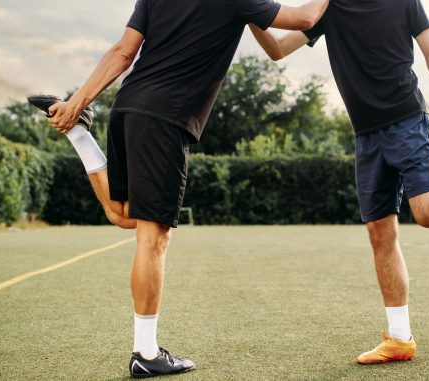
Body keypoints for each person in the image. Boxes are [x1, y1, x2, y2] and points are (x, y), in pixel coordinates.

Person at [33, 0, 329, 377]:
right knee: (153, 238)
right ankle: (145, 351)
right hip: (164, 118)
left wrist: (78, 103)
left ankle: (80, 137)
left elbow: (124, 52)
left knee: (124, 216)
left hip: (127, 110)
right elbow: (303, 16)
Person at [249, 0, 429, 365]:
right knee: (379, 233)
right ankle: (400, 339)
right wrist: (250, 13)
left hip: (407, 121)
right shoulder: (329, 8)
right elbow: (277, 49)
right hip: (366, 136)